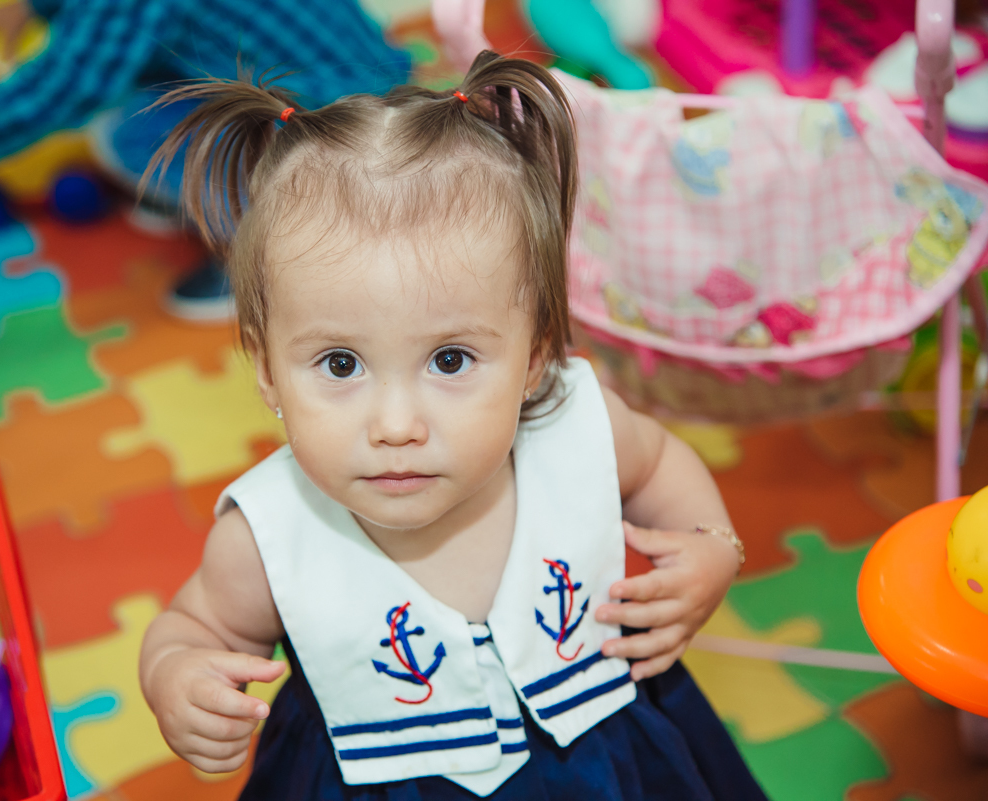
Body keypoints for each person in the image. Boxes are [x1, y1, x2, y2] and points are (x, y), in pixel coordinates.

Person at [138, 52, 769, 799]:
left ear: (536, 355)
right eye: (340, 364)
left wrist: (711, 546)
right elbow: (193, 626)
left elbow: (660, 464)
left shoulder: (578, 431)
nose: (396, 424)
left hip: (611, 752)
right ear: (268, 369)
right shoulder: (270, 534)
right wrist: (178, 676)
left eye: (450, 359)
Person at [0, 0, 409, 320]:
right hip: (358, 80)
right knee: (131, 107)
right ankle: (238, 187)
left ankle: (266, 247)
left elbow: (62, 86)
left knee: (123, 133)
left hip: (335, 117)